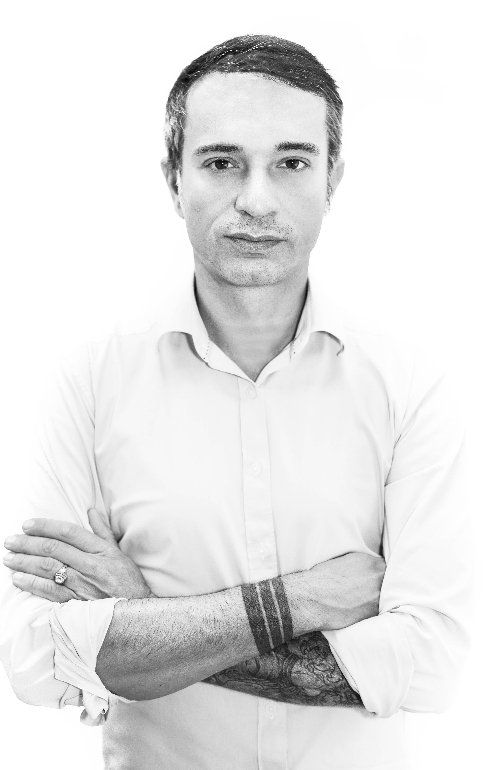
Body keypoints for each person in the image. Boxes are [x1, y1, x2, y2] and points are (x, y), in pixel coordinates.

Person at [0, 34, 472, 770]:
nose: (256, 200)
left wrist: (146, 622)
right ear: (174, 180)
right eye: (222, 162)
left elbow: (432, 664)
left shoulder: (408, 384)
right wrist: (300, 599)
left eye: (292, 163)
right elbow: (36, 659)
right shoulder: (88, 381)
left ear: (332, 179)